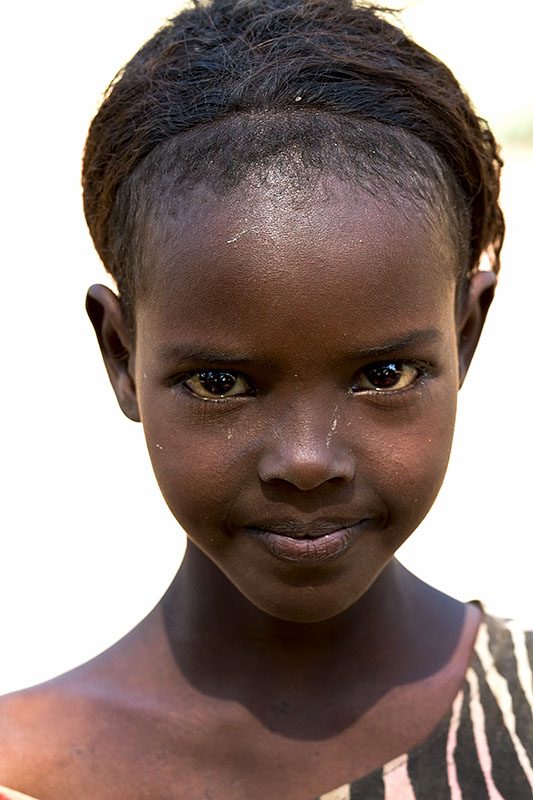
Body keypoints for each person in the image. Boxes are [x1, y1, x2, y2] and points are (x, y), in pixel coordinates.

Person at [0, 0, 531, 797]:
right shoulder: (21, 769)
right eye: (219, 384)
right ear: (121, 354)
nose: (307, 461)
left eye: (383, 375)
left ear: (465, 336)